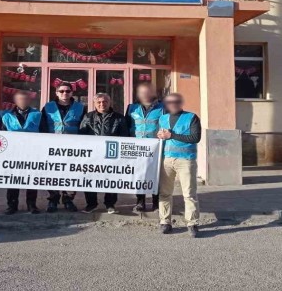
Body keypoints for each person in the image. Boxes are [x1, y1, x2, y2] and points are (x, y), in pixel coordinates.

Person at [156, 93, 202, 238]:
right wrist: (160, 135)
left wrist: (172, 135)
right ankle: (165, 222)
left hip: (186, 160)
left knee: (189, 194)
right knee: (164, 192)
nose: (173, 104)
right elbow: (162, 136)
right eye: (170, 102)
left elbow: (195, 137)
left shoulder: (191, 117)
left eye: (176, 102)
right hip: (167, 160)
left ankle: (192, 223)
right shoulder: (163, 118)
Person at [40, 82, 85, 213]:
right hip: (52, 145)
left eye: (67, 91)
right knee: (52, 173)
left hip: (73, 146)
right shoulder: (48, 107)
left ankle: (68, 199)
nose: (65, 93)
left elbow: (84, 125)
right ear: (56, 93)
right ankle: (53, 199)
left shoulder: (80, 107)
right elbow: (42, 125)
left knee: (71, 172)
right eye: (61, 91)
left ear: (72, 93)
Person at [79, 93, 128, 214]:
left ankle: (110, 204)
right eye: (99, 102)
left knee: (112, 179)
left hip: (111, 153)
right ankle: (91, 204)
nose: (102, 104)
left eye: (105, 101)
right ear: (94, 103)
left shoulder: (119, 118)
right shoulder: (88, 117)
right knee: (90, 179)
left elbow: (124, 136)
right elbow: (81, 135)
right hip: (92, 154)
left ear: (109, 102)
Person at [1, 91, 43, 215]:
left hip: (32, 151)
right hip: (13, 152)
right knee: (13, 179)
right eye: (20, 99)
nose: (22, 101)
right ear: (15, 101)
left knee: (32, 178)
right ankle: (12, 205)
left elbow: (44, 132)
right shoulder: (6, 115)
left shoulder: (37, 114)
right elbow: (1, 133)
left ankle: (32, 204)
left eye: (25, 99)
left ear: (29, 100)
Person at [125, 83, 164, 212]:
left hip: (155, 148)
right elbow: (126, 126)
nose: (144, 95)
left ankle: (156, 203)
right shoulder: (132, 108)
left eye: (147, 92)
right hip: (136, 149)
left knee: (155, 176)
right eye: (142, 92)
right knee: (139, 176)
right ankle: (140, 202)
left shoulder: (162, 108)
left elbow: (166, 125)